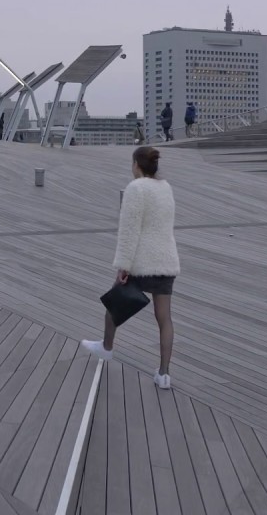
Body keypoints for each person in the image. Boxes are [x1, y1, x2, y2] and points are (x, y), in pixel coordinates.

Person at [82, 146, 180, 389]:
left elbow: (129, 230)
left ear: (137, 164)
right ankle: (164, 374)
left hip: (143, 261)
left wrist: (123, 266)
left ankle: (106, 347)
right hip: (166, 259)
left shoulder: (135, 188)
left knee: (115, 303)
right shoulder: (165, 187)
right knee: (164, 318)